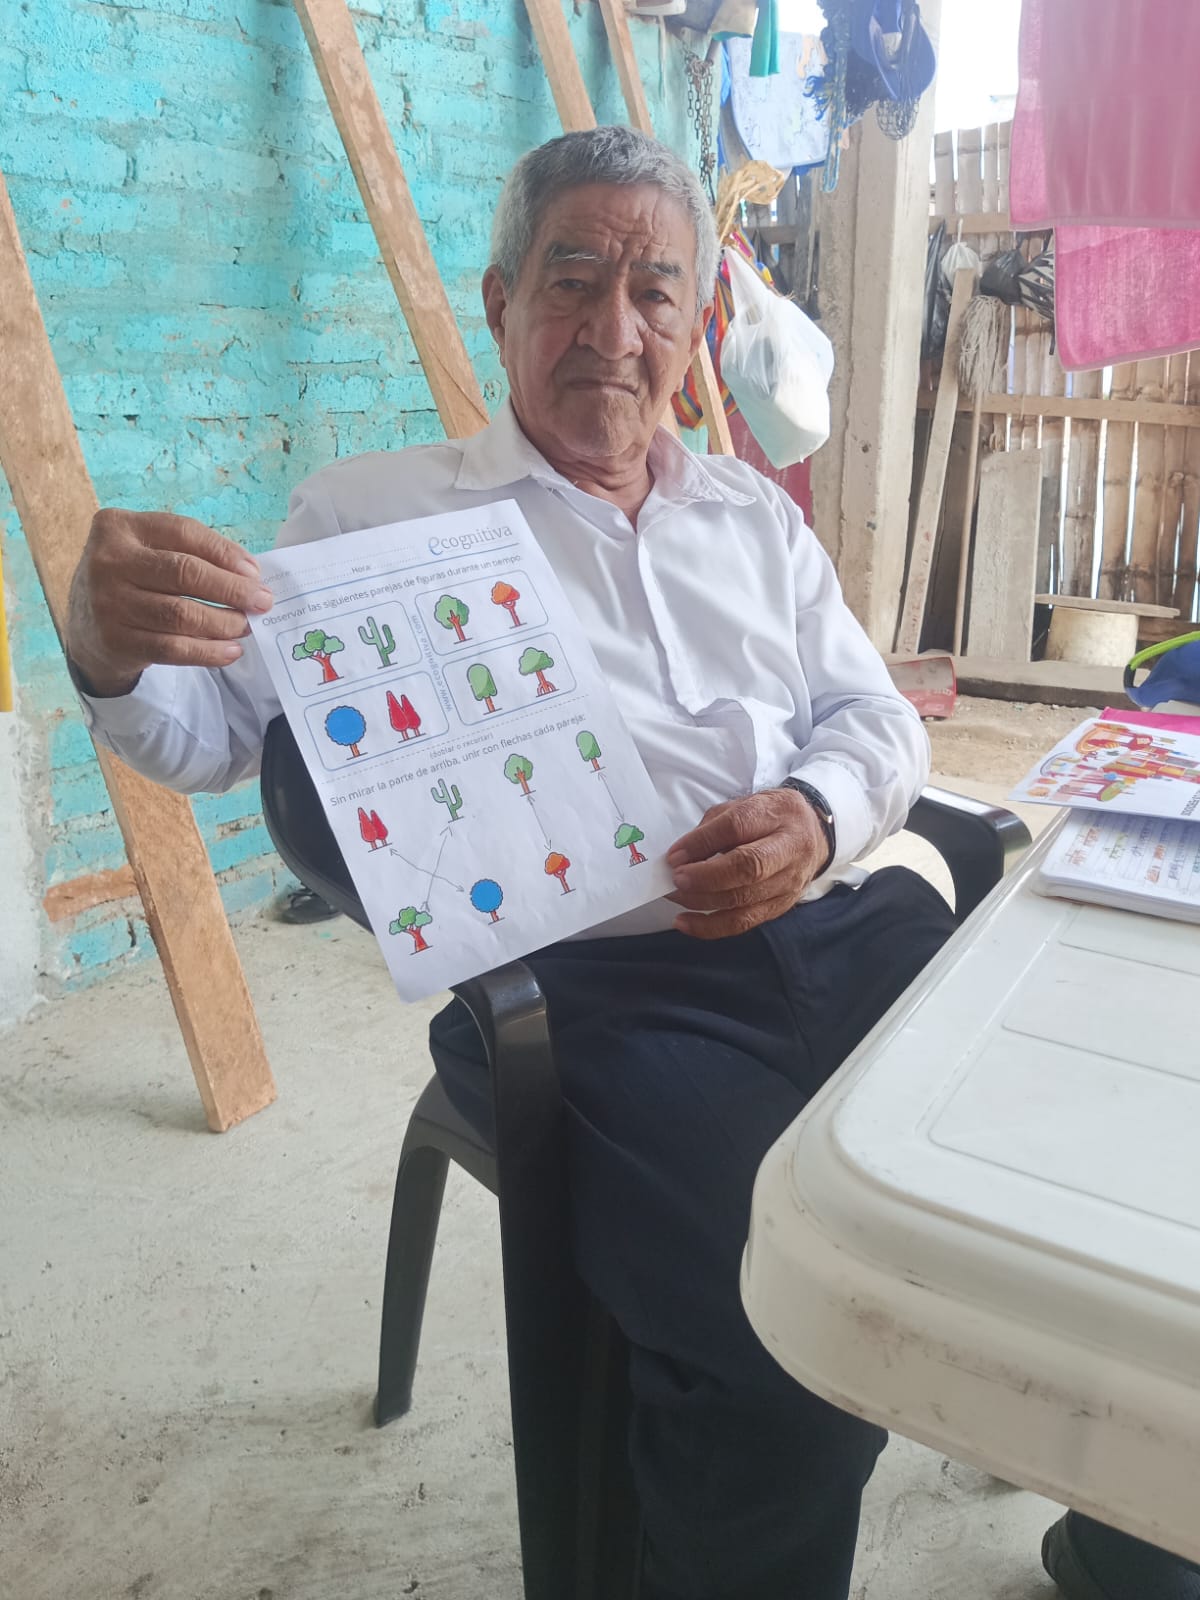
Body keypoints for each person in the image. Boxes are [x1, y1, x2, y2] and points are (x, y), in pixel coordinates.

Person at [64, 126, 1179, 1600]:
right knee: (782, 1351)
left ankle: (1132, 1534)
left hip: (843, 928)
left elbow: (871, 717)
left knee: (1127, 1177)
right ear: (501, 301)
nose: (613, 327)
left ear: (694, 323)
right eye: (573, 278)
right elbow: (212, 736)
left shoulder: (750, 514)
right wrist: (103, 641)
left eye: (655, 292)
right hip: (601, 997)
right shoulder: (374, 517)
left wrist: (819, 817)